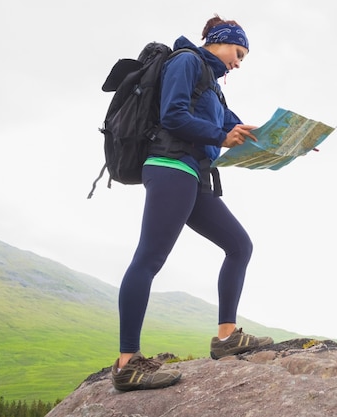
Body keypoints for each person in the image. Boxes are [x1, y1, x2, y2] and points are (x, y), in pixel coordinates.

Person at [111, 15, 273, 392]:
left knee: (239, 246)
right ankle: (127, 363)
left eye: (243, 58)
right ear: (219, 41)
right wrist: (220, 134)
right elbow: (173, 115)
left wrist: (288, 145)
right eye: (238, 52)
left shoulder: (214, 89)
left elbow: (240, 131)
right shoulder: (187, 61)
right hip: (170, 166)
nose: (238, 62)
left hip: (194, 175)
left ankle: (227, 336)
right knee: (149, 259)